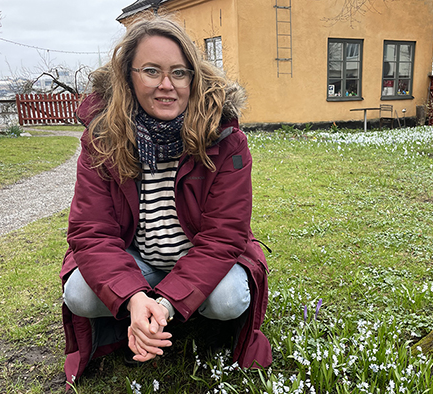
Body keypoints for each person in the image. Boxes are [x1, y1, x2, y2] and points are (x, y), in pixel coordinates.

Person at [59, 15, 272, 389]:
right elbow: (91, 233)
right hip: (138, 260)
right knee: (78, 292)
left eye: (179, 72)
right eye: (151, 71)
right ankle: (139, 316)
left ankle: (171, 315)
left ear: (193, 77)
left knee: (229, 299)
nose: (166, 85)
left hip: (200, 259)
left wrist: (167, 302)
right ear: (128, 77)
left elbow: (224, 238)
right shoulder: (102, 139)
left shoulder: (226, 140)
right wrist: (133, 296)